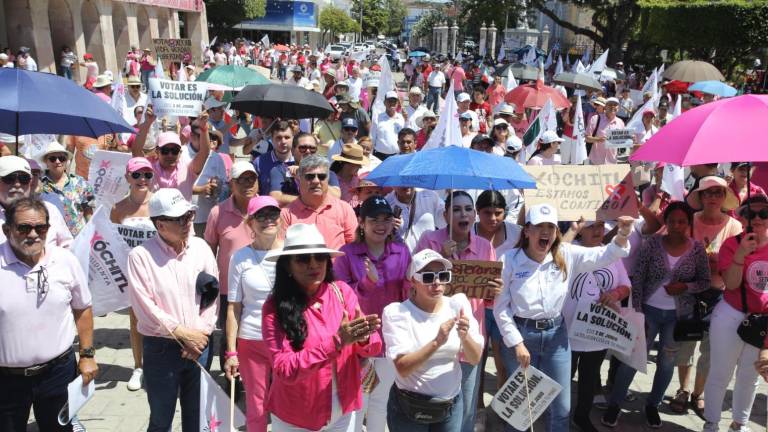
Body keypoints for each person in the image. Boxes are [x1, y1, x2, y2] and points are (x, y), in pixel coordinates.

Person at [494, 204, 634, 432]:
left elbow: (605, 255)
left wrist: (623, 233)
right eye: (540, 226)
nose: (546, 232)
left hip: (556, 338)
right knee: (520, 410)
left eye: (551, 227)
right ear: (527, 231)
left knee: (561, 408)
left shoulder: (566, 254)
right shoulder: (508, 260)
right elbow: (501, 308)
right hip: (521, 336)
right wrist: (517, 343)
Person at [261, 223, 383, 431]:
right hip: (297, 417)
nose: (313, 264)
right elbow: (284, 369)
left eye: (319, 257)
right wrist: (337, 341)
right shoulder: (274, 308)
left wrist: (363, 338)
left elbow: (374, 346)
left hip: (343, 411)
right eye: (303, 259)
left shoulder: (341, 292)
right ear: (287, 266)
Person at [603, 202, 710, 429]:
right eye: (672, 221)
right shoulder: (652, 244)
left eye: (681, 221)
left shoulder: (697, 249)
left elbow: (704, 282)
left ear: (688, 223)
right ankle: (615, 404)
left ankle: (653, 404)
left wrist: (685, 287)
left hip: (677, 317)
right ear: (666, 223)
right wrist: (639, 313)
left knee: (666, 362)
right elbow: (638, 279)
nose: (676, 226)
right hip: (649, 312)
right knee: (632, 359)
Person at [0, 197, 97, 432]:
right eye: (24, 227)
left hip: (58, 374)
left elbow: (82, 308)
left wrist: (87, 355)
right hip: (6, 381)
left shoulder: (65, 261)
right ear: (7, 229)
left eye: (40, 227)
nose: (33, 234)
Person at [126, 188, 219, 432]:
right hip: (162, 348)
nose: (188, 223)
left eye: (188, 215)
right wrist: (183, 334)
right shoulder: (141, 256)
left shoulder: (201, 248)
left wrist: (199, 335)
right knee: (161, 418)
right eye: (179, 219)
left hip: (201, 345)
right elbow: (145, 307)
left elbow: (212, 296)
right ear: (159, 224)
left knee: (197, 418)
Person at [415, 191, 498, 432]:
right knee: (433, 405)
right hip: (435, 337)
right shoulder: (429, 241)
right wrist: (441, 258)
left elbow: (488, 300)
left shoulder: (484, 246)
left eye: (468, 209)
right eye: (457, 209)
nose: (463, 214)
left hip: (469, 338)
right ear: (445, 215)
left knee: (466, 406)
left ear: (474, 215)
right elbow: (414, 287)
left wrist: (496, 290)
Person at [382, 248, 484, 430]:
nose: (437, 283)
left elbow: (475, 358)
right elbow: (402, 368)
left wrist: (465, 336)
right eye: (428, 277)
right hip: (409, 407)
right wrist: (437, 342)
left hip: (450, 405)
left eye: (443, 276)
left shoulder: (457, 304)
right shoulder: (397, 312)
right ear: (413, 280)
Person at [334, 196, 411, 432]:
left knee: (381, 401)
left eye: (386, 219)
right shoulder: (346, 254)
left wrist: (411, 280)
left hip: (391, 339)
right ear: (361, 222)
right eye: (374, 219)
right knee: (358, 401)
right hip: (361, 341)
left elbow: (407, 296)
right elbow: (339, 299)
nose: (381, 225)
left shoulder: (401, 250)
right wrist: (367, 283)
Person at [670, 176, 742, 417]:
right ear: (700, 197)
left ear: (724, 197)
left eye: (718, 193)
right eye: (707, 193)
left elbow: (739, 260)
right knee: (686, 343)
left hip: (721, 293)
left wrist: (720, 264)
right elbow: (671, 248)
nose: (712, 197)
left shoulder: (735, 226)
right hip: (690, 290)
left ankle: (697, 393)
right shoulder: (689, 222)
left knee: (712, 348)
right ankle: (682, 389)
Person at [702, 194, 768, 432]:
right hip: (731, 315)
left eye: (764, 213)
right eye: (751, 213)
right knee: (721, 373)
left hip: (761, 320)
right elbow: (730, 284)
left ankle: (739, 423)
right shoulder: (732, 244)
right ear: (742, 217)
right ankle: (711, 422)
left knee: (751, 377)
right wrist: (741, 253)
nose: (758, 218)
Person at [562, 219, 632, 432]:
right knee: (563, 378)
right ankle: (558, 418)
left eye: (601, 225)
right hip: (568, 330)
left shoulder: (612, 253)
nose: (597, 230)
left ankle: (581, 416)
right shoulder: (568, 251)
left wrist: (614, 294)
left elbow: (626, 285)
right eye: (591, 226)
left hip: (598, 331)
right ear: (580, 229)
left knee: (589, 378)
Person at [223, 196, 282, 432]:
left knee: (285, 402)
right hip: (252, 340)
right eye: (261, 216)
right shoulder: (240, 257)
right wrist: (231, 352)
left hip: (285, 341)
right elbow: (233, 308)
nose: (268, 220)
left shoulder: (292, 252)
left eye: (273, 214)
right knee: (256, 406)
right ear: (250, 222)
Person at [110, 157, 158, 391]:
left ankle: (159, 365)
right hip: (132, 273)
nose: (142, 179)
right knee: (136, 321)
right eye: (137, 174)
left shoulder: (159, 204)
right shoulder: (118, 208)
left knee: (160, 318)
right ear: (128, 177)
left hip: (159, 270)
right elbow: (112, 241)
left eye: (147, 175)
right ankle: (138, 366)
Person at [280, 155, 358, 251]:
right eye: (310, 176)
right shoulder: (286, 214)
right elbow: (281, 249)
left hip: (338, 265)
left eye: (321, 176)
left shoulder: (344, 209)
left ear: (327, 180)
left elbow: (355, 247)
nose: (316, 181)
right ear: (299, 179)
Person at [132, 107, 211, 201]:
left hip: (181, 215)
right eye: (165, 150)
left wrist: (204, 127)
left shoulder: (188, 169)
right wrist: (147, 124)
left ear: (180, 153)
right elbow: (136, 152)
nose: (170, 155)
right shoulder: (149, 167)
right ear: (157, 151)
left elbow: (204, 152)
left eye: (175, 150)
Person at [0, 156, 72, 248]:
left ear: (30, 182)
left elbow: (68, 247)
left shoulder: (50, 210)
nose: (17, 184)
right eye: (9, 178)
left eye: (23, 178)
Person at [39, 141, 94, 236]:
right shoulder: (39, 184)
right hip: (51, 238)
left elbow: (88, 209)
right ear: (46, 162)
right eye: (52, 159)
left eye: (61, 158)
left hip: (78, 238)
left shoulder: (79, 182)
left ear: (66, 161)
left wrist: (91, 232)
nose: (57, 161)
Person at [386, 186, 446, 252]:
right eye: (400, 180)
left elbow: (446, 222)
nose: (405, 183)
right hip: (402, 259)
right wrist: (388, 229)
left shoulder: (429, 195)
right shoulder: (386, 204)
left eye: (408, 177)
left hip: (430, 258)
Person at [586, 97, 624, 165]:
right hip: (596, 162)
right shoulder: (595, 119)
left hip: (612, 162)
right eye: (610, 104)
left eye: (615, 105)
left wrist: (629, 139)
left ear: (618, 108)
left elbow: (622, 143)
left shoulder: (620, 122)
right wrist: (598, 139)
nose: (612, 106)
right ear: (605, 107)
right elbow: (587, 138)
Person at [371, 91, 405, 160]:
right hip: (379, 156)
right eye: (389, 101)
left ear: (397, 103)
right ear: (384, 103)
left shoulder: (401, 118)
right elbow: (372, 138)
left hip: (396, 156)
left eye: (394, 101)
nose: (392, 103)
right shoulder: (377, 118)